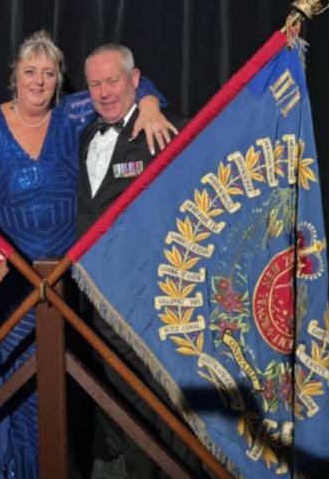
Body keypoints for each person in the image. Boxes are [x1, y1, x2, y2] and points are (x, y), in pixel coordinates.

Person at [0, 31, 173, 479]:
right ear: (14, 76)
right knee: (17, 386)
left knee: (60, 381)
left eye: (49, 73)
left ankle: (59, 467)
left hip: (66, 282)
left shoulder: (73, 113)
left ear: (59, 81)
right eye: (30, 71)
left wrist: (151, 106)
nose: (38, 81)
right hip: (11, 284)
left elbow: (135, 85)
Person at [76, 43, 201, 479]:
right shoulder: (87, 135)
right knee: (122, 401)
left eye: (113, 81)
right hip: (97, 297)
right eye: (95, 83)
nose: (104, 92)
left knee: (162, 404)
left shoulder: (162, 131)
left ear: (135, 80)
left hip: (149, 301)